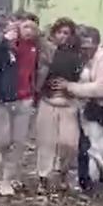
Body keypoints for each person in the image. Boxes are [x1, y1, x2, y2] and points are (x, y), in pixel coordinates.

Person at [65, 26, 103, 193]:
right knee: (87, 147)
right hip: (88, 108)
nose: (85, 50)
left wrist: (70, 87)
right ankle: (88, 183)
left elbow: (101, 89)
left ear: (96, 44)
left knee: (101, 146)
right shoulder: (81, 59)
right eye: (82, 46)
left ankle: (101, 181)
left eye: (88, 46)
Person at [35, 17, 84, 190]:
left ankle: (63, 174)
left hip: (68, 104)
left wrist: (68, 87)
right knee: (46, 143)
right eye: (60, 32)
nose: (63, 36)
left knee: (69, 144)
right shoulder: (46, 53)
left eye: (67, 33)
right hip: (48, 102)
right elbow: (37, 78)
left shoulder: (77, 56)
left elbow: (80, 80)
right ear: (54, 34)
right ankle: (43, 178)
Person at [0, 20, 35, 196]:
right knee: (2, 139)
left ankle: (6, 179)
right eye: (25, 28)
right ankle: (2, 154)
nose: (28, 31)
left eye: (32, 28)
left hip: (25, 99)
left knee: (19, 141)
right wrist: (3, 42)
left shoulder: (35, 48)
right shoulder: (5, 47)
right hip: (5, 100)